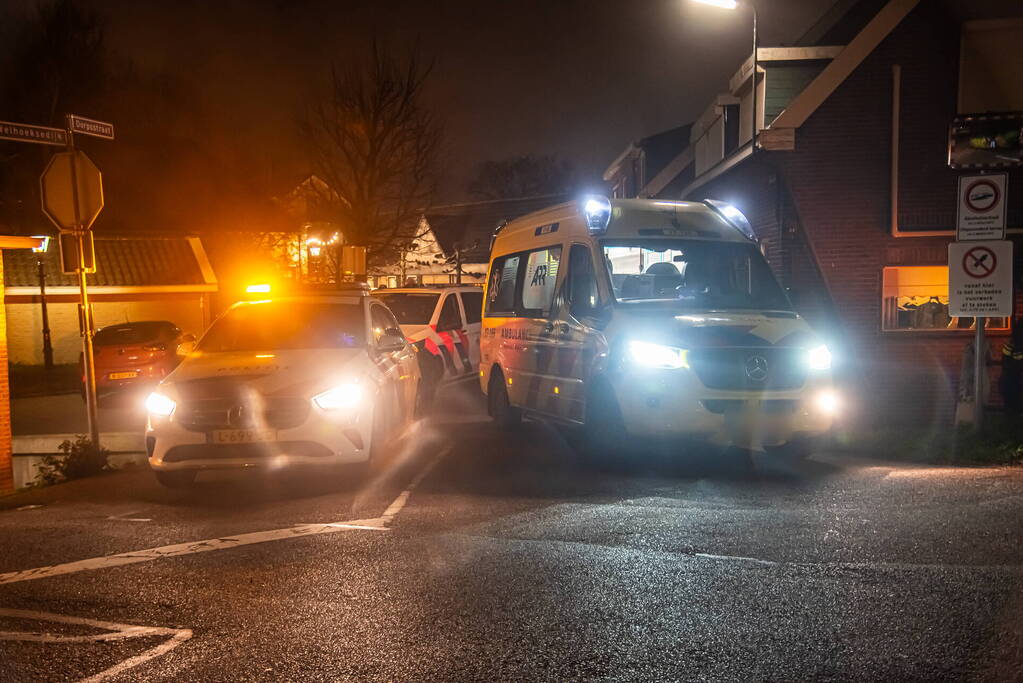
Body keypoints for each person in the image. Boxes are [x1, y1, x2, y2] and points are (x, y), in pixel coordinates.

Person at [1000, 319, 1023, 415]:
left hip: (1011, 383)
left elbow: (1005, 363)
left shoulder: (1010, 345)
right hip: (1014, 383)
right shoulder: (1011, 346)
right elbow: (1007, 364)